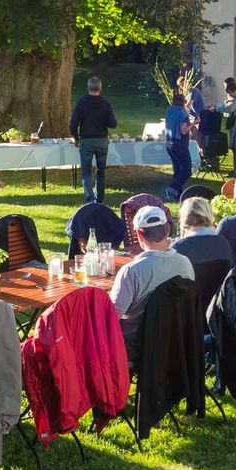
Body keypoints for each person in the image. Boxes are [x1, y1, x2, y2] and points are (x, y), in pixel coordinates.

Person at [108, 204, 193, 353]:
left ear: (139, 235)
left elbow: (111, 318)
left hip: (135, 345)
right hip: (175, 341)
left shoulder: (132, 272)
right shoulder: (185, 263)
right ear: (167, 229)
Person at [70, 75, 117, 204]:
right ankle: (99, 198)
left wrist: (76, 137)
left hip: (86, 140)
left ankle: (90, 199)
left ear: (88, 88)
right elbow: (113, 123)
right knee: (100, 171)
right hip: (101, 140)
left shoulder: (82, 102)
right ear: (100, 88)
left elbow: (73, 124)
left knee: (86, 171)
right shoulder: (105, 103)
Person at [173, 195, 233, 283]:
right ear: (208, 216)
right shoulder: (223, 243)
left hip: (189, 295)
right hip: (220, 294)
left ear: (184, 219)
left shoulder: (179, 249)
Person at [163, 86, 193, 200]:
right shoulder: (182, 114)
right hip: (180, 144)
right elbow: (183, 130)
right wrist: (193, 123)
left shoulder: (169, 111)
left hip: (169, 143)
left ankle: (177, 193)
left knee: (177, 168)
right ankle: (171, 189)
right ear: (183, 103)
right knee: (186, 170)